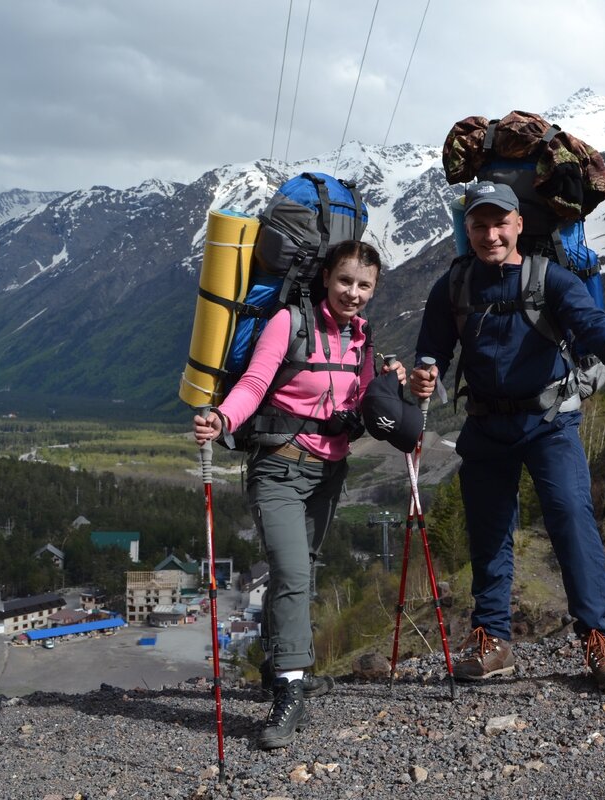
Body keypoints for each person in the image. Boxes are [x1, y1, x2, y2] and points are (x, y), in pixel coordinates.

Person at [409, 182, 605, 690]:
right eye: (479, 225)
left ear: (519, 225)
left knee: (569, 518)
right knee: (489, 532)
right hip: (486, 426)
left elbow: (591, 329)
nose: (490, 234)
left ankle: (596, 637)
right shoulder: (452, 287)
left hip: (548, 422)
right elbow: (431, 353)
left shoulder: (553, 280)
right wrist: (421, 376)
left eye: (500, 223)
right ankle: (492, 640)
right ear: (466, 229)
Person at [193, 240, 403, 749]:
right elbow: (255, 382)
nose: (353, 293)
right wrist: (222, 419)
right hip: (279, 467)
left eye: (364, 285)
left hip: (329, 473)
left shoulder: (362, 336)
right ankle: (289, 690)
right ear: (326, 277)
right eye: (345, 281)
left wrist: (397, 386)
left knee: (301, 574)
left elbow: (366, 402)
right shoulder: (289, 323)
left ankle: (278, 665)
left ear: (374, 290)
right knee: (289, 574)